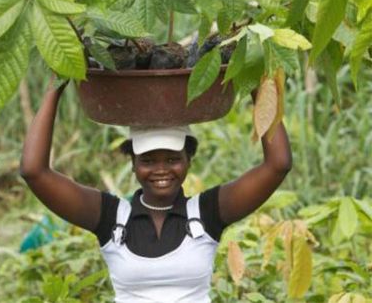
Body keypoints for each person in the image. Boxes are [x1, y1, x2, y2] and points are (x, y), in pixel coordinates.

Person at [20, 78, 292, 303]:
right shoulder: (111, 218)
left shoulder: (207, 213)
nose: (161, 170)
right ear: (133, 164)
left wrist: (256, 81)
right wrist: (55, 85)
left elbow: (277, 164)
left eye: (173, 159)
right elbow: (34, 171)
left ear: (189, 160)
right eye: (148, 161)